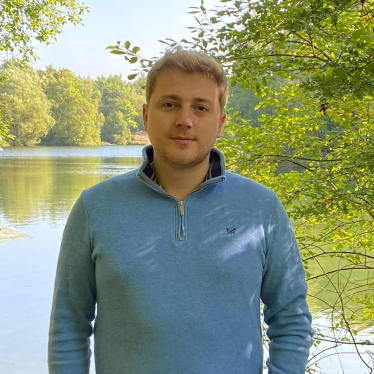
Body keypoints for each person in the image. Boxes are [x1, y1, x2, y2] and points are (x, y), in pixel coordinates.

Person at [48, 47, 314, 374]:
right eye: (170, 104)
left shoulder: (262, 208)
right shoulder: (95, 208)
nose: (184, 120)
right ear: (147, 115)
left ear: (220, 122)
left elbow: (291, 319)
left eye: (200, 107)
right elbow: (69, 323)